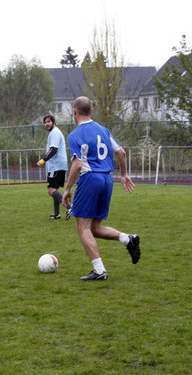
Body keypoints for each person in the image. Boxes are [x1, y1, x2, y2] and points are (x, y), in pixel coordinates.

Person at [62, 96, 141, 281]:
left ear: (74, 111)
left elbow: (77, 165)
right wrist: (123, 174)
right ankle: (127, 239)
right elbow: (121, 152)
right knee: (94, 228)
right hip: (107, 179)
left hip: (90, 179)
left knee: (82, 227)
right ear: (91, 111)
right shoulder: (103, 130)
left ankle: (99, 270)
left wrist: (67, 189)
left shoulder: (75, 134)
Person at [36, 114, 72, 220]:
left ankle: (69, 207)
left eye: (48, 121)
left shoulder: (55, 133)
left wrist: (43, 160)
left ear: (53, 122)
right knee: (54, 189)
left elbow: (53, 149)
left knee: (50, 190)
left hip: (56, 166)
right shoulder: (54, 132)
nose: (46, 124)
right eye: (45, 122)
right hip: (57, 165)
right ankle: (57, 214)